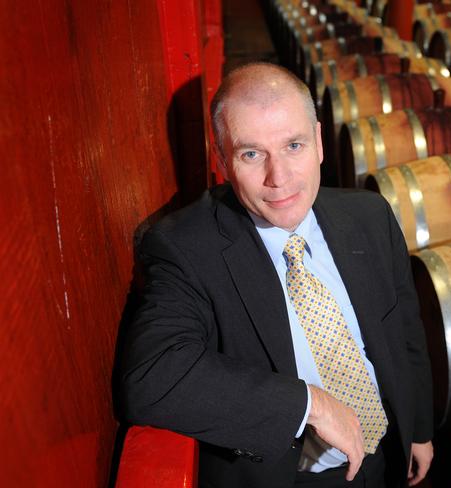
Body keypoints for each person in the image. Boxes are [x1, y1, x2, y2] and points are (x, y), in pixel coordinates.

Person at [121, 62, 433, 488]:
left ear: (320, 142)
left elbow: (404, 330)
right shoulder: (184, 247)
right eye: (251, 154)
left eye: (294, 145)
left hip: (384, 458)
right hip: (291, 476)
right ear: (222, 161)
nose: (279, 177)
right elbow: (151, 376)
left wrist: (419, 429)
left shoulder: (369, 216)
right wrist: (309, 405)